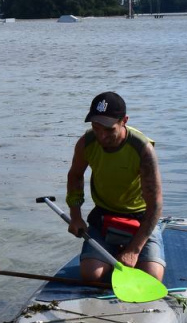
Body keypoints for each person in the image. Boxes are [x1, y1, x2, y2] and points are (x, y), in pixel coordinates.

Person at [66, 91, 165, 284]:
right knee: (91, 276)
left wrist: (133, 251)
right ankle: (111, 253)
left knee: (151, 278)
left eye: (109, 129)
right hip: (104, 216)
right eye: (96, 127)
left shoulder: (142, 149)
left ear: (124, 121)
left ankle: (139, 248)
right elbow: (75, 176)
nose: (102, 135)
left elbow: (155, 206)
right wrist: (76, 216)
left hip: (140, 218)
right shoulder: (86, 143)